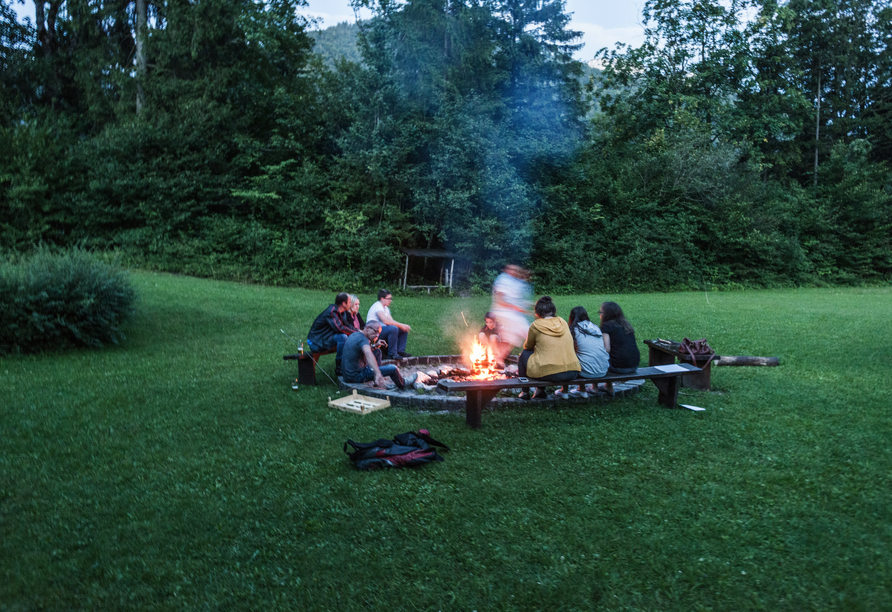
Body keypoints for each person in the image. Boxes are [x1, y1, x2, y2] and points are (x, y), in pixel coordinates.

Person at [517, 296, 580, 400]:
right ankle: (540, 392)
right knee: (544, 356)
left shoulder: (536, 325)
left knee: (524, 354)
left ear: (537, 312)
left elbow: (528, 346)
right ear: (553, 310)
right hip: (573, 371)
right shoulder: (562, 322)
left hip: (551, 373)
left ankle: (525, 392)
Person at [341, 321, 417, 389]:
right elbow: (368, 354)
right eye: (375, 332)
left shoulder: (356, 334)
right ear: (367, 328)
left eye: (379, 333)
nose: (377, 335)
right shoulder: (363, 339)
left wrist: (375, 346)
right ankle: (403, 383)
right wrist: (377, 373)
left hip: (347, 375)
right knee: (393, 368)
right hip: (356, 376)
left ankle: (377, 381)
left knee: (377, 351)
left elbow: (363, 349)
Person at [561, 306, 610, 398]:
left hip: (587, 372)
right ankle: (582, 389)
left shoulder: (573, 330)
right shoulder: (595, 327)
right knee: (583, 355)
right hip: (603, 369)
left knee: (570, 357)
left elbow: (568, 350)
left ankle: (564, 390)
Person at [307, 292, 356, 375]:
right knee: (343, 337)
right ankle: (339, 368)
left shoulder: (341, 312)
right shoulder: (331, 312)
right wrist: (356, 334)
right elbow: (340, 328)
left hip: (325, 339)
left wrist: (360, 332)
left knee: (347, 337)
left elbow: (347, 326)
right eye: (350, 302)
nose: (351, 304)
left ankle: (353, 365)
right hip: (316, 342)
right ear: (344, 303)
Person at [598, 301, 641, 395]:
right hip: (634, 365)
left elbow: (606, 349)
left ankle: (607, 387)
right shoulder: (626, 325)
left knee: (597, 358)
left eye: (601, 312)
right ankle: (607, 386)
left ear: (607, 314)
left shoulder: (606, 326)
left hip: (619, 367)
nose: (599, 314)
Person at [490, 264, 532, 351]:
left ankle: (499, 360)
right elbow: (500, 300)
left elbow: (516, 300)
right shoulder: (503, 279)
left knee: (508, 341)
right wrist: (516, 307)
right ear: (506, 269)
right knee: (528, 333)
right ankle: (533, 355)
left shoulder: (514, 281)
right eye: (511, 269)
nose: (514, 271)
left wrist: (532, 304)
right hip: (503, 313)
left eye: (515, 269)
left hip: (512, 315)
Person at [366, 289, 411, 360]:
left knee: (402, 330)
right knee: (393, 328)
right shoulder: (377, 306)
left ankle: (400, 351)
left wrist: (403, 326)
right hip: (374, 332)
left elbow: (391, 320)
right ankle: (392, 354)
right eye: (388, 299)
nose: (390, 301)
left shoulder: (385, 308)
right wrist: (401, 325)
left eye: (390, 299)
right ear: (382, 299)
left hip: (382, 329)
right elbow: (385, 320)